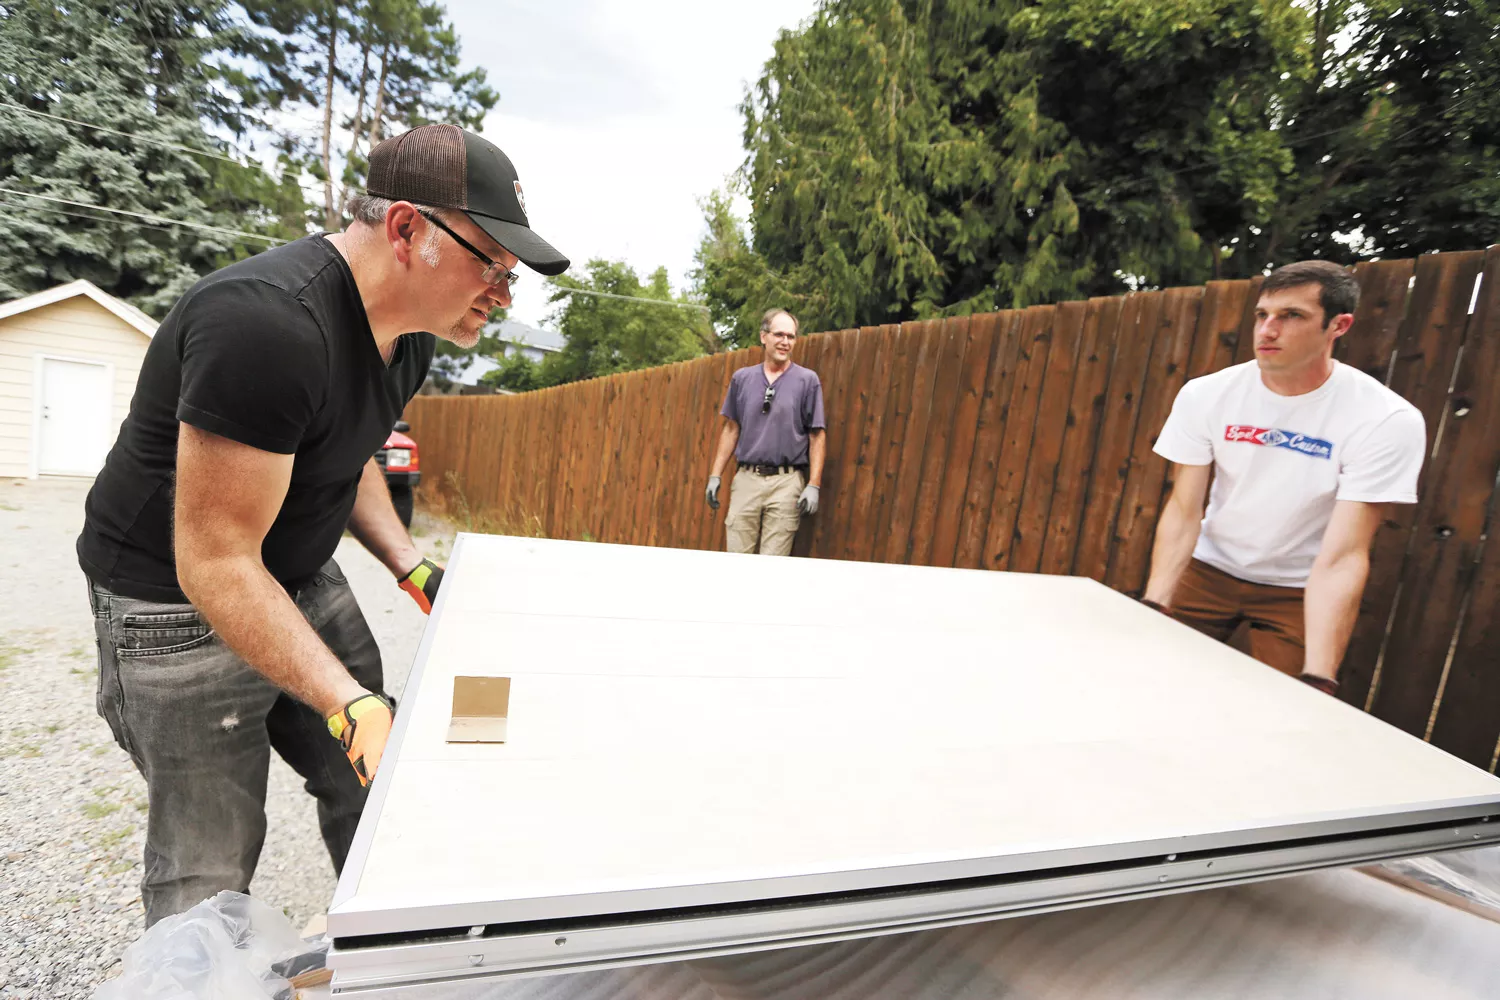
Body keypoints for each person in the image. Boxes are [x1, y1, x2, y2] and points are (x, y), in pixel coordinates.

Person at [76, 124, 568, 926]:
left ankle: (382, 956)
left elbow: (346, 450)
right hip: (173, 603)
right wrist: (346, 702)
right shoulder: (265, 325)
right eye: (491, 264)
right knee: (209, 859)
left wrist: (408, 563)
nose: (505, 295)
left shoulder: (410, 336)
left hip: (297, 573)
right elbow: (214, 562)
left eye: (513, 276)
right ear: (408, 228)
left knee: (376, 783)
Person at [1142, 260, 1426, 695]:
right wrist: (1155, 604)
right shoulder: (1208, 395)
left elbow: (1346, 553)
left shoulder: (1385, 419)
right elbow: (1184, 509)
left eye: (1291, 316)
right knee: (1149, 679)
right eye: (1262, 315)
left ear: (1338, 325)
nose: (1267, 330)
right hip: (1207, 569)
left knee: (1281, 713)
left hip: (1298, 588)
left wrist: (1318, 674)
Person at [705, 308, 826, 555]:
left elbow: (817, 435)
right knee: (737, 560)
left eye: (791, 337)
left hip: (787, 483)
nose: (785, 342)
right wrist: (715, 475)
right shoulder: (742, 379)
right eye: (779, 334)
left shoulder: (807, 381)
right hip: (747, 479)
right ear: (763, 337)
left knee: (773, 567)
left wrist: (813, 484)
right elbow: (731, 429)